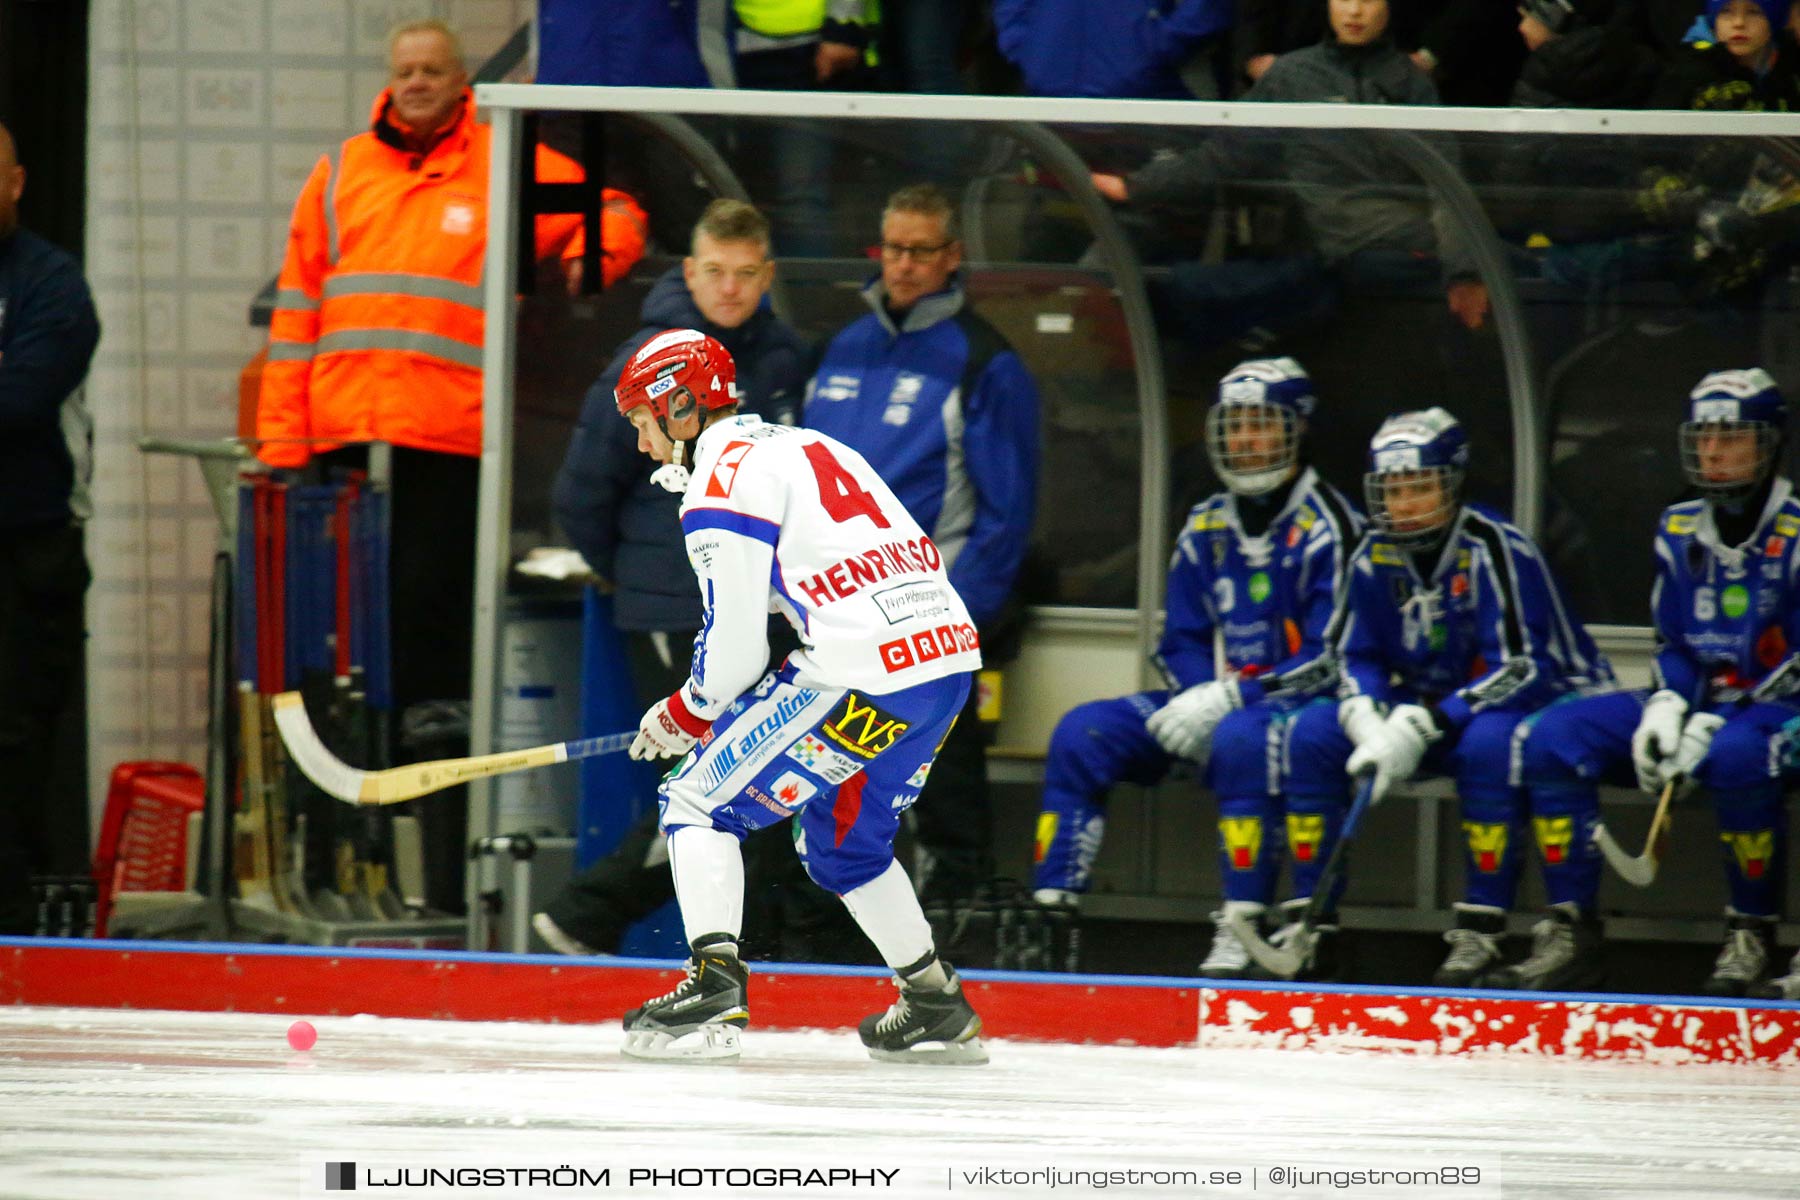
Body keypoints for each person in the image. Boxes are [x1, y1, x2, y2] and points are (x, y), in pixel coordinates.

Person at [255, 19, 646, 912]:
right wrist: (283, 447)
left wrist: (575, 270)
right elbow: (295, 314)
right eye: (405, 71)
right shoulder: (340, 172)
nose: (417, 83)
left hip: (449, 443)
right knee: (343, 652)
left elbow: (618, 216)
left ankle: (431, 865)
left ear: (461, 79)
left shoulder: (503, 160)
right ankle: (346, 852)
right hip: (345, 445)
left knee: (431, 653)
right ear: (388, 80)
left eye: (433, 70)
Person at [609, 328, 987, 1065]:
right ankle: (934, 997)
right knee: (843, 846)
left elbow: (736, 650)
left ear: (680, 407)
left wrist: (686, 711)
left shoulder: (719, 482)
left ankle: (714, 982)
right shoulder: (813, 446)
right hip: (942, 662)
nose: (644, 446)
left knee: (694, 800)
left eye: (643, 423)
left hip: (862, 672)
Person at [534, 198, 814, 959]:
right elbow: (581, 492)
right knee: (719, 780)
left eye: (745, 274)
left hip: (760, 610)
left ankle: (609, 921)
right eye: (714, 272)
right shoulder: (649, 359)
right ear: (689, 270)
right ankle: (591, 915)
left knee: (741, 778)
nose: (729, 289)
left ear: (767, 275)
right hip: (672, 604)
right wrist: (638, 575)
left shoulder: (783, 356)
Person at [1030, 358, 1363, 980]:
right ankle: (1053, 913)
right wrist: (1201, 696)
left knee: (1241, 736)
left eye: (1262, 424)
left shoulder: (1332, 525)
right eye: (1234, 424)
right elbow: (1179, 636)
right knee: (1084, 731)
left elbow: (1331, 656)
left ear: (1298, 427)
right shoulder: (1207, 521)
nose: (1245, 439)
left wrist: (1233, 700)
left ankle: (1244, 921)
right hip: (1213, 704)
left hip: (1300, 712)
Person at [803, 183, 1040, 949]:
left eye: (920, 251)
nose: (903, 266)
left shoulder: (985, 358)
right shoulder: (839, 347)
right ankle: (828, 946)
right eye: (891, 249)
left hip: (926, 624)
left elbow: (1006, 516)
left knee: (944, 790)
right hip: (834, 621)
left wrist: (955, 622)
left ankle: (965, 942)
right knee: (826, 782)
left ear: (952, 255)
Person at [1533, 370, 1800, 998]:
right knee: (1556, 734)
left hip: (1780, 708)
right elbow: (1674, 642)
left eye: (1730, 438)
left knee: (1738, 754)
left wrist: (1724, 718)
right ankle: (1571, 928)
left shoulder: (1795, 530)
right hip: (1704, 705)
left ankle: (1750, 934)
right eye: (1703, 438)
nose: (1712, 453)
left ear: (1770, 443)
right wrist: (1669, 703)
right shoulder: (1679, 526)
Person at [1337, 408, 1614, 990]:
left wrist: (1429, 722)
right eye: (1393, 488)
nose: (1405, 502)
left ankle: (1487, 928)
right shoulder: (1371, 554)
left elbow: (1522, 666)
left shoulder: (1492, 545)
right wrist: (1367, 716)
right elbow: (1354, 655)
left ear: (1452, 484)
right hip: (1446, 711)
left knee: (1488, 744)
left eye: (1420, 486)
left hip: (1554, 702)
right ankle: (1309, 926)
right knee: (1323, 735)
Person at [1092, 0, 1491, 349]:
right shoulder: (1293, 76)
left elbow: (1446, 184)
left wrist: (1465, 272)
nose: (1354, 12)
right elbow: (1224, 156)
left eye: (1368, 0)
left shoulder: (1411, 83)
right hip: (1324, 253)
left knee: (1517, 267)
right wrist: (1137, 186)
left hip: (1401, 249)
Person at [0, 121, 101, 935]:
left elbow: (18, 402)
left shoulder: (52, 284)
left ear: (18, 181)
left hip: (22, 553)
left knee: (14, 748)